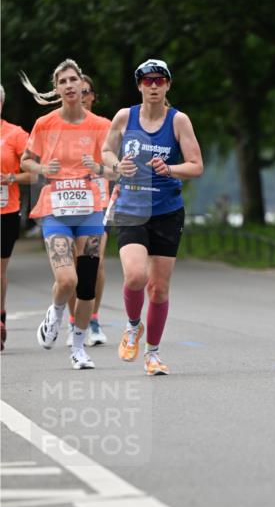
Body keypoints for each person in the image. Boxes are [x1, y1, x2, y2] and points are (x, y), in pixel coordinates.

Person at [102, 59, 203, 376]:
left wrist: (170, 168)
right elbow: (105, 152)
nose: (154, 86)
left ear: (168, 85)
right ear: (140, 86)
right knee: (135, 277)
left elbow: (196, 165)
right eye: (148, 81)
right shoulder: (124, 117)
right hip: (132, 209)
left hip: (167, 211)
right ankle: (133, 326)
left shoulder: (178, 121)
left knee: (158, 289)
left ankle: (153, 354)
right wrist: (118, 166)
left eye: (160, 80)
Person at [19, 59, 115, 369]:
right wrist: (44, 168)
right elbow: (26, 161)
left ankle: (77, 348)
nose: (70, 85)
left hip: (89, 211)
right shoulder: (45, 124)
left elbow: (115, 167)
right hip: (56, 210)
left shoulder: (101, 125)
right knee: (66, 279)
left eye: (74, 79)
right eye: (63, 81)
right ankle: (56, 313)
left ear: (82, 86)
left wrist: (98, 168)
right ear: (57, 89)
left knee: (86, 285)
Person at [65, 74, 112, 348]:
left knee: (95, 263)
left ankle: (92, 318)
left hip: (98, 199)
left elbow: (114, 162)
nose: (81, 96)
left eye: (86, 91)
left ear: (93, 96)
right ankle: (74, 322)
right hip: (68, 201)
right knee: (72, 264)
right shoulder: (61, 125)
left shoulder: (104, 127)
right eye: (76, 91)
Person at [0, 83, 32, 351]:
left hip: (5, 211)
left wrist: (10, 177)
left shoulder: (16, 134)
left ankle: (0, 317)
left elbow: (35, 172)